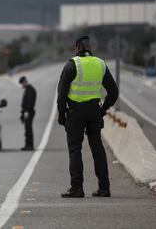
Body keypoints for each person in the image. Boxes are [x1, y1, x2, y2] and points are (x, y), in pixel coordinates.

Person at [57, 36, 119, 198]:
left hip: (75, 112)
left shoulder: (72, 65)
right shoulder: (100, 64)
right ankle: (104, 188)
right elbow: (113, 91)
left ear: (77, 47)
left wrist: (61, 114)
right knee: (97, 148)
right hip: (93, 111)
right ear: (91, 47)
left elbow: (61, 94)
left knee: (75, 149)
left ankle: (77, 188)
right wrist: (103, 109)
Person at [19, 76, 37, 151]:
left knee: (28, 129)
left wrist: (27, 112)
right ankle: (27, 145)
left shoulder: (30, 89)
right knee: (27, 129)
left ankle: (30, 145)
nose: (22, 86)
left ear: (24, 82)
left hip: (29, 112)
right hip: (27, 111)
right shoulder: (28, 89)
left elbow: (30, 102)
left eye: (22, 83)